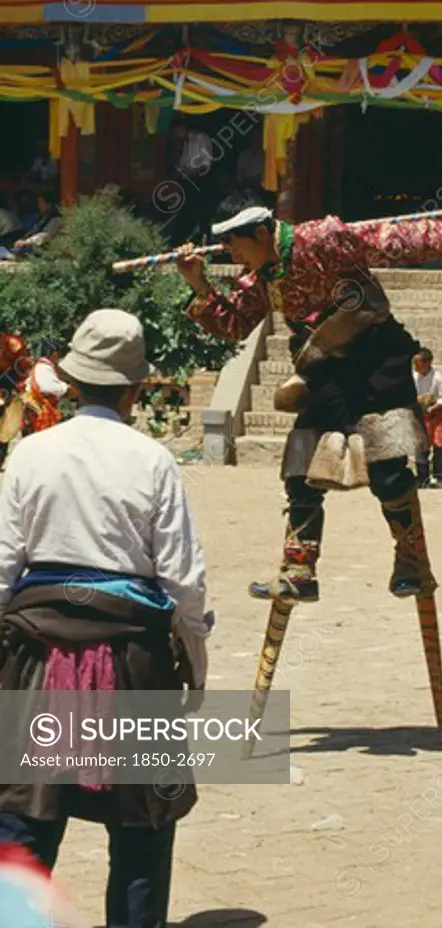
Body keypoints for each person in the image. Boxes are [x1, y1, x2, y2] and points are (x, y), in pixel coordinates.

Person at [177, 188, 442, 602]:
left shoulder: (322, 237)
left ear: (258, 232)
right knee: (300, 466)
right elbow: (236, 325)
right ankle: (299, 569)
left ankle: (411, 560)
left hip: (377, 358)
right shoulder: (260, 279)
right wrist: (199, 284)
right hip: (324, 371)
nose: (229, 255)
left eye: (232, 245)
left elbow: (393, 242)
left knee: (388, 470)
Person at [0, 309, 212, 925]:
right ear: (136, 387)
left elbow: (4, 565)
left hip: (35, 655)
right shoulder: (153, 461)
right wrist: (194, 664)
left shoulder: (30, 454)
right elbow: (184, 581)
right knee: (144, 826)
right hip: (134, 657)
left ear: (71, 381)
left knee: (23, 820)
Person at [412, 348, 442, 488]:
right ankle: (422, 477)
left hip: (438, 414)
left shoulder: (438, 378)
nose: (415, 366)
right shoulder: (413, 377)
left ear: (427, 363)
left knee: (439, 444)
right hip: (421, 413)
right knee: (420, 445)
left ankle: (440, 477)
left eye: (418, 363)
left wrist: (433, 405)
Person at [20, 338, 70, 435]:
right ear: (54, 353)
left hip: (38, 412)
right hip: (40, 414)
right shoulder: (43, 368)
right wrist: (67, 387)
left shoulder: (41, 366)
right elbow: (52, 387)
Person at [0, 332, 30, 471]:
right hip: (7, 383)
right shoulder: (12, 341)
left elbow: (22, 364)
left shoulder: (12, 341)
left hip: (6, 383)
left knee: (4, 423)